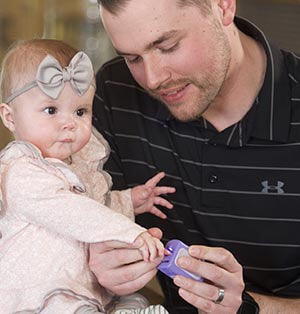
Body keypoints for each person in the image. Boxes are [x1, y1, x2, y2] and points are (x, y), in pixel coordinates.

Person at [90, 0, 300, 313]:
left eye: (168, 46)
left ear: (223, 7)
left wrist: (250, 308)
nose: (152, 79)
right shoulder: (114, 93)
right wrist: (96, 268)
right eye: (133, 58)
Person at [0, 39, 175, 313]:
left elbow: (93, 206)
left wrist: (129, 201)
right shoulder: (21, 173)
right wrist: (130, 233)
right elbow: (74, 212)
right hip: (36, 296)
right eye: (51, 110)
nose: (70, 123)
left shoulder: (76, 169)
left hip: (77, 288)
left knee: (123, 302)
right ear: (10, 117)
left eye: (80, 111)